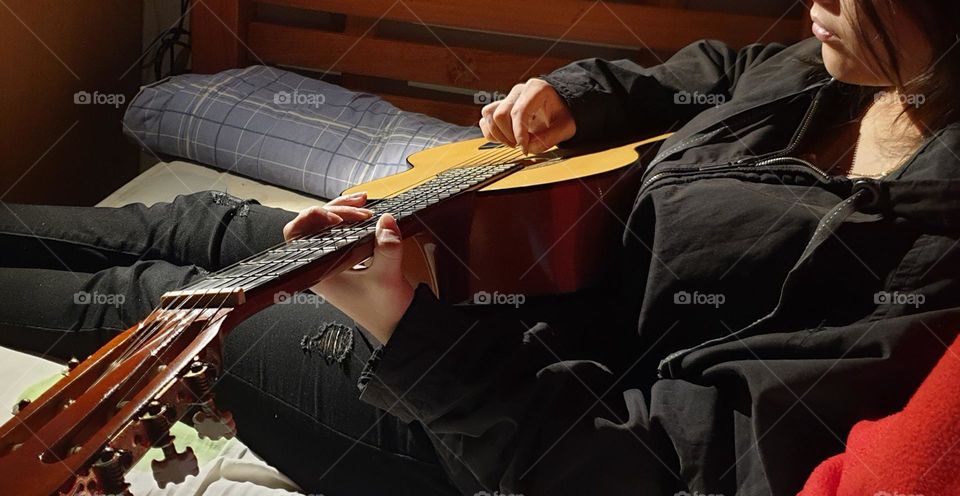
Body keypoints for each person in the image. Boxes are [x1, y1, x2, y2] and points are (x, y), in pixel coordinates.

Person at [2, 0, 959, 494]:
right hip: (507, 279)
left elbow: (663, 475)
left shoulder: (929, 266)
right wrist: (580, 93)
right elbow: (713, 75)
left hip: (505, 419)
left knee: (167, 302)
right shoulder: (834, 71)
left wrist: (412, 329)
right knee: (197, 223)